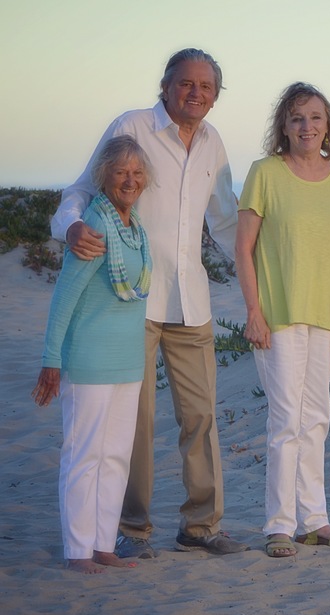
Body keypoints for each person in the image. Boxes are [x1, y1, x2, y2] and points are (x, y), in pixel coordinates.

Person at [51, 48, 245, 557]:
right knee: (133, 422)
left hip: (192, 301)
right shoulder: (132, 126)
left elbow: (225, 221)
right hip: (129, 301)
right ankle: (131, 530)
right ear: (165, 86)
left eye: (206, 87)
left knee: (200, 415)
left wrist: (258, 282)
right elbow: (80, 188)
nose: (195, 93)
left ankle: (202, 526)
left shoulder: (214, 143)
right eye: (186, 83)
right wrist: (70, 227)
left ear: (216, 96)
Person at [236, 83, 330, 558]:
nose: (306, 126)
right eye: (296, 118)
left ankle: (315, 520)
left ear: (328, 124)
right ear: (283, 128)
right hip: (279, 316)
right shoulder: (265, 174)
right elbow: (243, 248)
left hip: (326, 317)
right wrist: (253, 312)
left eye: (314, 117)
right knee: (285, 420)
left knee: (317, 419)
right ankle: (278, 526)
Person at [33, 136, 153, 573]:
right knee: (83, 455)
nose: (130, 180)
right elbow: (64, 297)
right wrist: (51, 360)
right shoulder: (94, 226)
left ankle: (104, 544)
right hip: (87, 361)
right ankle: (78, 550)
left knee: (117, 455)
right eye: (121, 172)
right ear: (103, 174)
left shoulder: (133, 227)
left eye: (137, 173)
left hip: (127, 362)